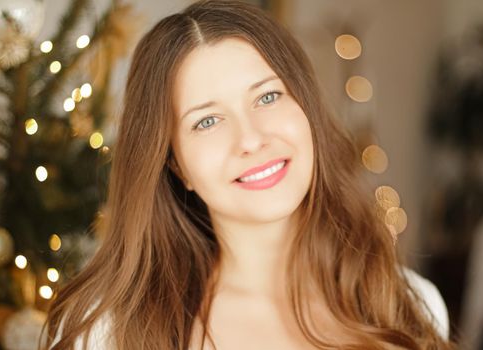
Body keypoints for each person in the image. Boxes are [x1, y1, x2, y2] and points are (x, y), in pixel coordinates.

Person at [43, 1, 455, 349]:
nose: (252, 139)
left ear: (306, 107)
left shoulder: (410, 304)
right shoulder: (106, 331)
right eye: (207, 121)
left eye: (268, 96)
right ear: (175, 164)